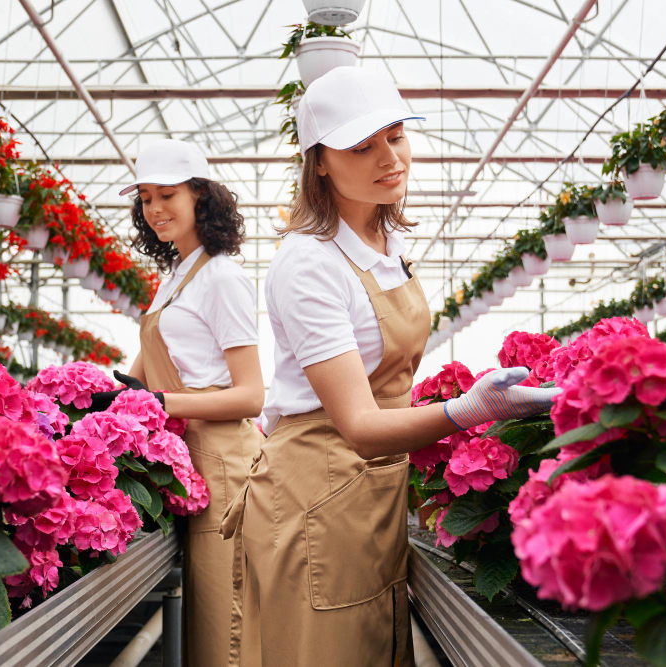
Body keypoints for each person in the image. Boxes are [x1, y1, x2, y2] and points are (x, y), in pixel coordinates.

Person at [220, 67, 560, 667]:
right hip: (317, 490)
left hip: (368, 490)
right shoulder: (310, 265)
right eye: (361, 146)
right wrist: (468, 411)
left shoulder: (383, 238)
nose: (389, 158)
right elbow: (358, 421)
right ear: (318, 162)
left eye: (395, 136)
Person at [109, 139, 265, 667]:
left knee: (227, 626)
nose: (154, 209)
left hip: (222, 465)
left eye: (167, 195)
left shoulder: (222, 277)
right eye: (146, 198)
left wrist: (155, 403)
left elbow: (251, 394)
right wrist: (95, 402)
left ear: (202, 196)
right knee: (202, 623)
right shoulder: (176, 276)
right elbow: (141, 369)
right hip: (189, 461)